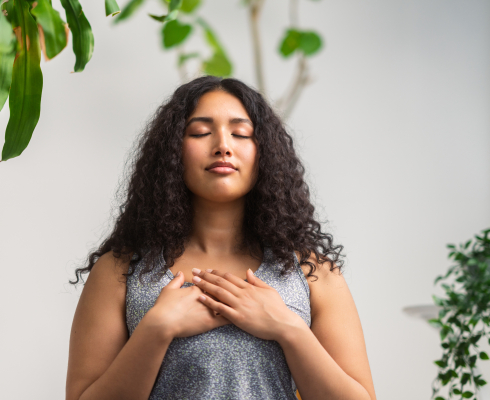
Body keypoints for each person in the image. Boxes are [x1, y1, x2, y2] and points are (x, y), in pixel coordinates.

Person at [66, 75, 377, 400]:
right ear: (172, 151)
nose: (223, 146)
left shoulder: (314, 272)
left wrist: (288, 328)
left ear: (265, 152)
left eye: (241, 133)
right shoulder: (119, 271)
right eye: (200, 132)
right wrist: (156, 329)